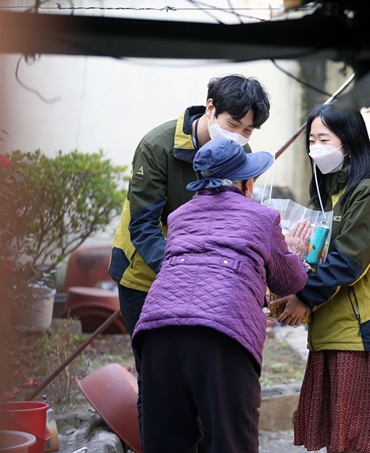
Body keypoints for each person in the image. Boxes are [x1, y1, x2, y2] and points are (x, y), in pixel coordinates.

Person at [106, 74, 270, 438]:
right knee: (158, 382)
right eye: (233, 124)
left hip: (206, 283)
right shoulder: (158, 145)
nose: (240, 137)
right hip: (147, 277)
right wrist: (180, 274)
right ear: (210, 108)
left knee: (204, 381)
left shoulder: (237, 153)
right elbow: (143, 225)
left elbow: (238, 215)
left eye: (249, 130)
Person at [131, 138, 310, 453]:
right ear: (244, 182)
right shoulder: (261, 217)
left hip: (157, 332)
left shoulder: (179, 217)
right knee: (230, 444)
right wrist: (295, 251)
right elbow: (288, 281)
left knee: (166, 444)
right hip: (221, 334)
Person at [270, 103, 370, 453]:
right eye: (312, 139)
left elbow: (349, 261)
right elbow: (317, 260)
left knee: (359, 440)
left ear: (348, 140)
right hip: (326, 332)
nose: (315, 146)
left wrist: (303, 298)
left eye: (324, 138)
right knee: (339, 440)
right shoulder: (322, 194)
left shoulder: (367, 191)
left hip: (356, 334)